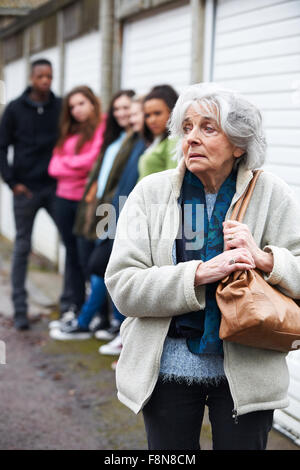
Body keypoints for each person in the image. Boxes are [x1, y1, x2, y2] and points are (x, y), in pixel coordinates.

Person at [104, 83, 300, 450]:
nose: (191, 138)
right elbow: (123, 286)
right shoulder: (150, 192)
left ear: (240, 144)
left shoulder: (273, 193)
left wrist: (265, 259)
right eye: (187, 127)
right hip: (164, 371)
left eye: (208, 128)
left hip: (249, 371)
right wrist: (197, 274)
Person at [49, 89, 139, 341]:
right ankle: (102, 320)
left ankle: (93, 322)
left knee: (102, 265)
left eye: (128, 109)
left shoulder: (134, 142)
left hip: (117, 209)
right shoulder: (118, 139)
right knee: (93, 263)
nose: (123, 114)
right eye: (119, 109)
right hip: (99, 207)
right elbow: (55, 166)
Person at [0, 58, 62, 330]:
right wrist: (12, 183)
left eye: (49, 76)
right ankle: (20, 310)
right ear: (31, 77)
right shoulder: (14, 108)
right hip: (25, 190)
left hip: (53, 187)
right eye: (40, 76)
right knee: (22, 247)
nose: (45, 81)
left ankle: (72, 304)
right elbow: (1, 147)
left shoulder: (59, 107)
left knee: (72, 240)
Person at [48, 85, 106, 320]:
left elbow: (91, 161)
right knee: (71, 253)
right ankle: (75, 305)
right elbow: (53, 167)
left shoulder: (102, 126)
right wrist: (74, 163)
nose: (77, 110)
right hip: (63, 199)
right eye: (72, 107)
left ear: (93, 102)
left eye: (81, 103)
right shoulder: (69, 131)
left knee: (88, 257)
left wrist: (67, 163)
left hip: (88, 202)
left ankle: (97, 312)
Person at [137, 84, 179, 180]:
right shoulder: (157, 140)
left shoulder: (174, 140)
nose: (152, 120)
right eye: (148, 115)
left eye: (157, 113)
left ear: (172, 112)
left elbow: (174, 180)